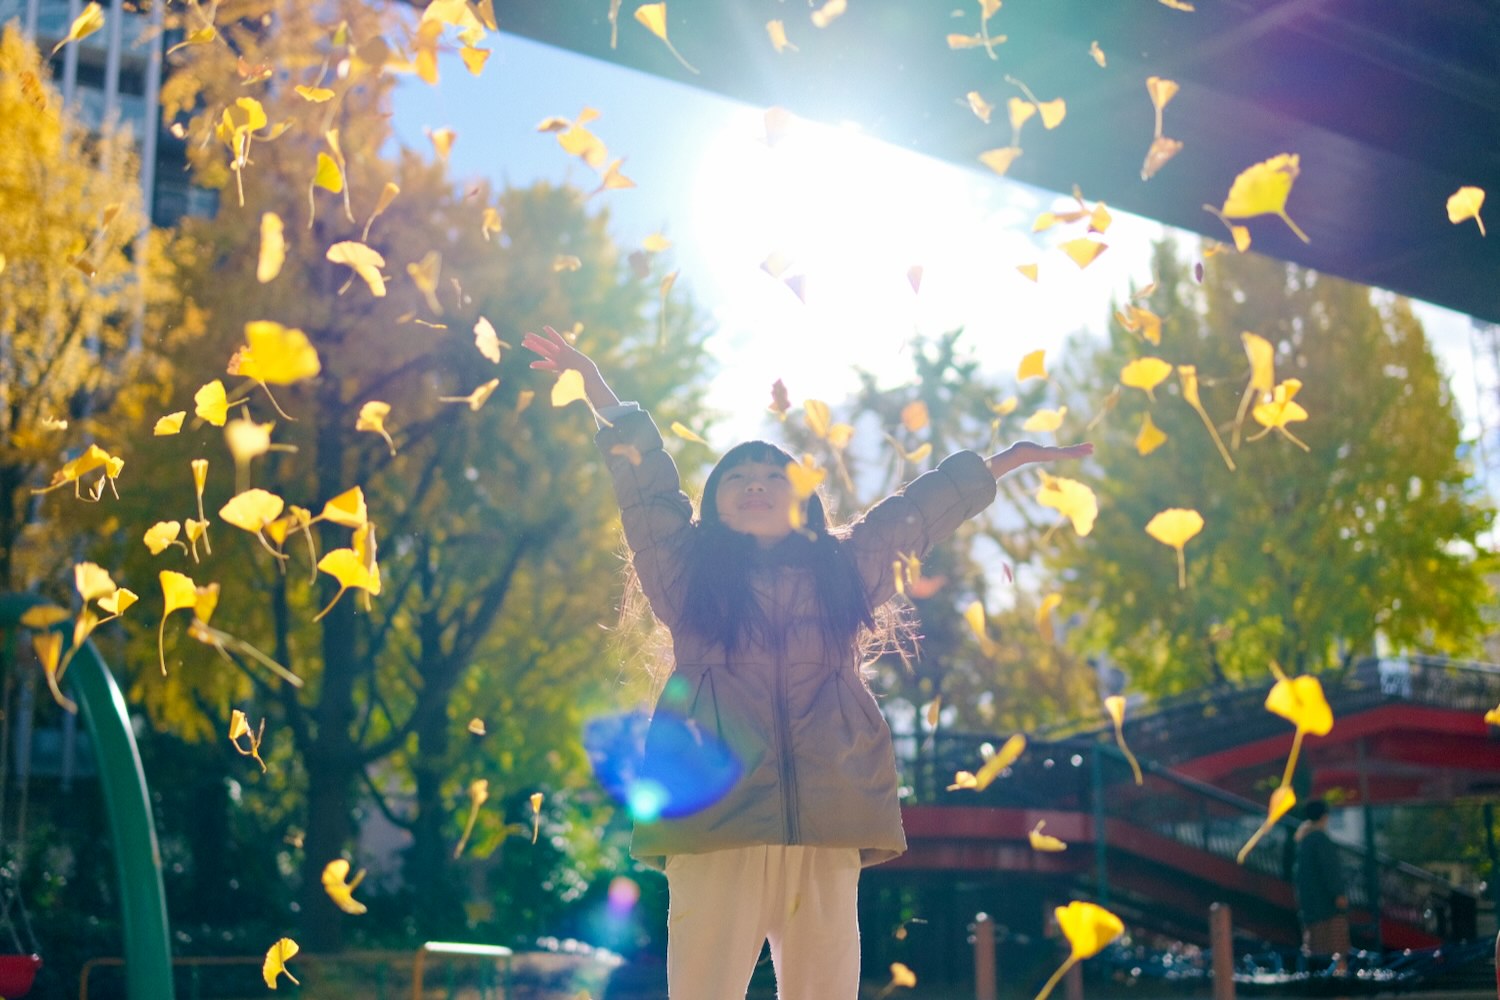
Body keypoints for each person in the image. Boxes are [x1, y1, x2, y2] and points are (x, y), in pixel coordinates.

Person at [523, 325, 1092, 1000]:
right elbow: (646, 492)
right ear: (713, 503)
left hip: (828, 825)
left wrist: (1000, 463)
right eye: (738, 477)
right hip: (716, 826)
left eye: (774, 476)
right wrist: (600, 392)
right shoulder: (684, 575)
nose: (756, 485)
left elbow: (916, 514)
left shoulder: (845, 569)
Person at [1293, 799, 1350, 973]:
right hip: (1327, 907)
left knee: (1316, 950)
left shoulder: (1303, 840)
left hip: (1310, 907)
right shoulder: (1321, 839)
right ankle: (1339, 979)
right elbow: (1330, 870)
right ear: (1324, 817)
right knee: (1337, 951)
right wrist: (1339, 894)